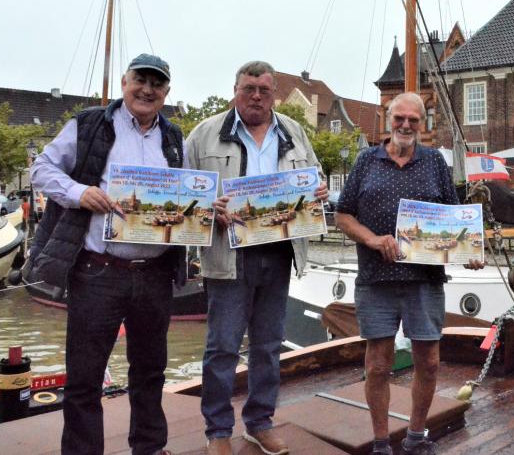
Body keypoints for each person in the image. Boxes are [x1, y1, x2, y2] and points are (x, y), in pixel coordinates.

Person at [29, 53, 183, 455]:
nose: (147, 89)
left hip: (155, 272)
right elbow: (41, 169)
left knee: (150, 370)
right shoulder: (88, 124)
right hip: (98, 269)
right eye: (141, 80)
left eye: (157, 83)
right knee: (85, 377)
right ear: (124, 82)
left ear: (166, 92)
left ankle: (149, 447)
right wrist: (79, 193)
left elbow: (188, 194)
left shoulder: (174, 136)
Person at [186, 61, 328, 455]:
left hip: (279, 253)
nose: (256, 96)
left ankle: (259, 422)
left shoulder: (294, 131)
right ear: (235, 89)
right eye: (249, 88)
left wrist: (317, 194)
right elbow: (183, 193)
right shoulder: (204, 134)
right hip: (228, 255)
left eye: (264, 90)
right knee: (223, 346)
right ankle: (217, 430)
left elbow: (314, 177)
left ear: (274, 94)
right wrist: (206, 209)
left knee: (268, 345)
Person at [335, 92, 483, 455]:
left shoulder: (434, 162)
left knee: (429, 364)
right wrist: (371, 239)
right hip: (376, 280)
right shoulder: (366, 160)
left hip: (424, 280)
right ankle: (382, 443)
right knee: (378, 365)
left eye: (413, 120)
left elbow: (455, 217)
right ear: (388, 119)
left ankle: (417, 436)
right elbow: (342, 214)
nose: (405, 125)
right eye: (399, 118)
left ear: (422, 123)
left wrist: (469, 251)